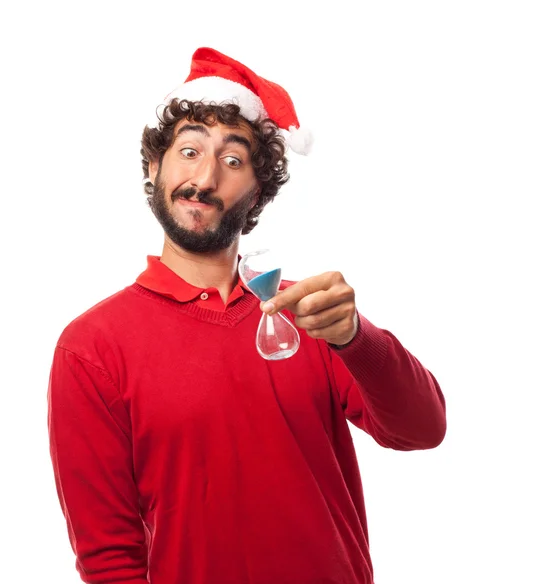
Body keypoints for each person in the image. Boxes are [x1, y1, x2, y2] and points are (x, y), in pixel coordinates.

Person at [47, 47, 447, 584]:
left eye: (233, 160)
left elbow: (423, 429)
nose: (205, 177)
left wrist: (355, 337)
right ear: (154, 166)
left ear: (258, 189)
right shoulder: (91, 347)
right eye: (188, 151)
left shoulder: (310, 314)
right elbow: (109, 558)